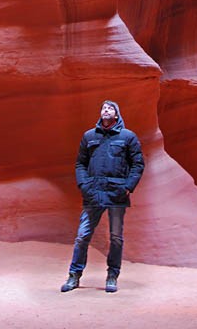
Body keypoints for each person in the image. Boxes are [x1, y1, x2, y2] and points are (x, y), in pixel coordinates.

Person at [60, 100, 144, 293]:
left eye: (110, 108)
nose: (106, 110)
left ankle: (112, 276)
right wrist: (84, 184)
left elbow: (138, 164)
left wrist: (128, 186)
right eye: (103, 108)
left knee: (116, 237)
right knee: (82, 236)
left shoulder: (127, 136)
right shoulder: (89, 136)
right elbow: (80, 163)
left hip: (116, 193)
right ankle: (74, 276)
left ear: (116, 114)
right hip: (93, 193)